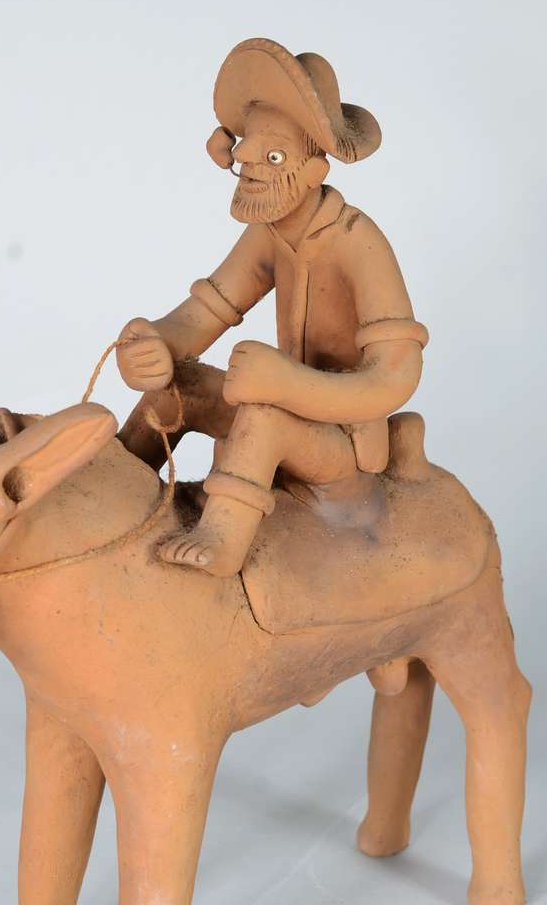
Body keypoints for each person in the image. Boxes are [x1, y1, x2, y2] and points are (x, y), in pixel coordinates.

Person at [117, 38, 429, 577]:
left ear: (314, 171)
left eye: (275, 156)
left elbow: (397, 374)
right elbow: (208, 310)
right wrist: (154, 345)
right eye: (246, 150)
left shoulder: (357, 242)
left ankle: (222, 539)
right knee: (179, 386)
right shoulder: (269, 234)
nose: (249, 164)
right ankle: (115, 478)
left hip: (343, 442)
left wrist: (286, 385)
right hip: (286, 406)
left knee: (263, 416)